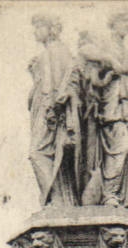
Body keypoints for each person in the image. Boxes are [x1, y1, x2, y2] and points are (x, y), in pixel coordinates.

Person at [76, 10, 128, 208]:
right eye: (123, 21)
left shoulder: (127, 51)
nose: (127, 26)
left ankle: (115, 194)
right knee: (120, 146)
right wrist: (108, 59)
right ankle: (109, 194)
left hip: (126, 106)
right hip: (109, 104)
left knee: (123, 148)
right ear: (113, 23)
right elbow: (84, 51)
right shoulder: (104, 42)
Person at [27, 14, 81, 206]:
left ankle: (55, 198)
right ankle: (58, 199)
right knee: (47, 153)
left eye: (39, 27)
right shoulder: (51, 52)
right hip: (45, 110)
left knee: (37, 153)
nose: (35, 32)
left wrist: (52, 108)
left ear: (50, 29)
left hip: (49, 112)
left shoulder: (54, 51)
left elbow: (55, 85)